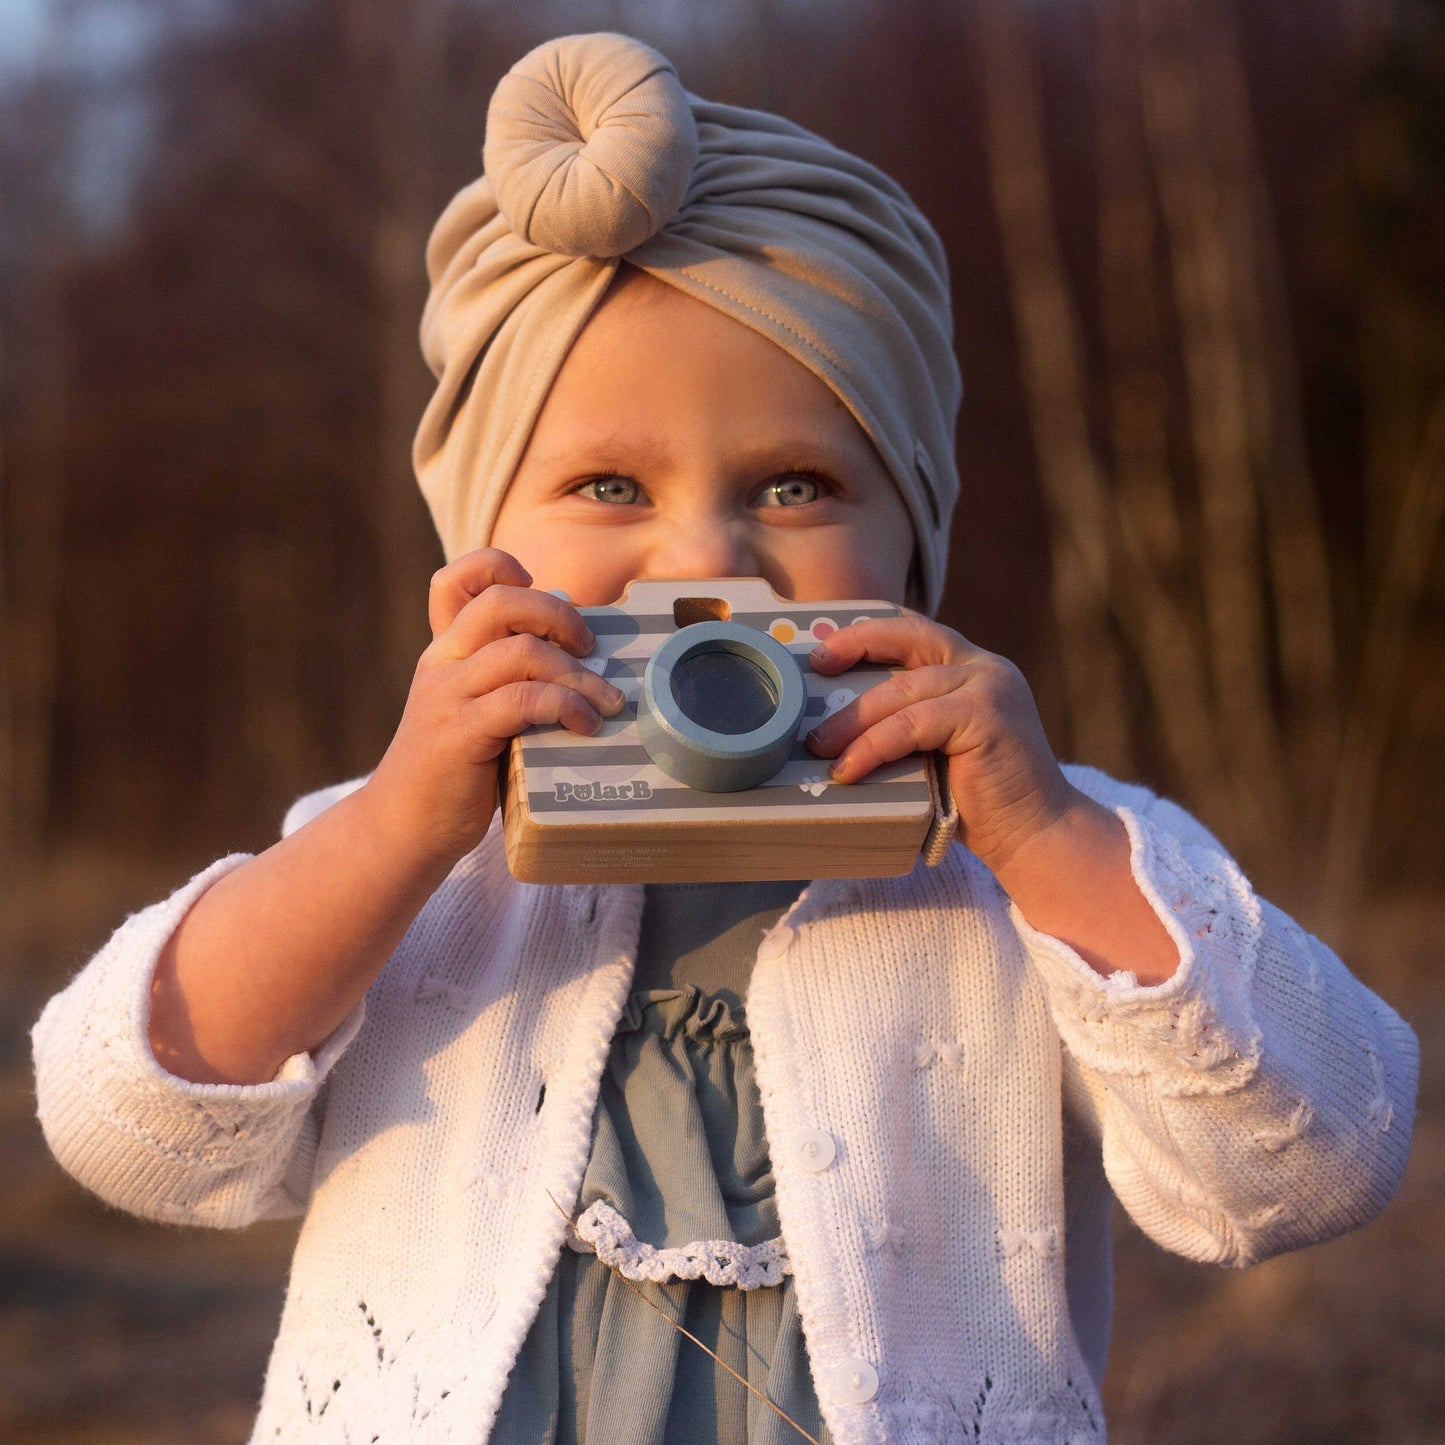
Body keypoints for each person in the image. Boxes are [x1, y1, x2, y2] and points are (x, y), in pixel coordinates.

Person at [32, 32, 1417, 1445]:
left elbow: (1315, 1164)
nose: (704, 562)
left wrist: (1053, 840)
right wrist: (391, 827)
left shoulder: (1026, 855)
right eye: (609, 483)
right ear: (480, 549)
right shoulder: (410, 853)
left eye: (798, 484)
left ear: (913, 547)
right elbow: (123, 1117)